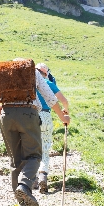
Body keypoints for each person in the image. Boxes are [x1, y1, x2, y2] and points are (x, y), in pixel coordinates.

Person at [0, 58, 70, 206]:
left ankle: (22, 204)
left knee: (15, 159)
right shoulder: (32, 72)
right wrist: (62, 116)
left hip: (6, 115)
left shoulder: (5, 74)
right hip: (28, 114)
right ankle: (25, 186)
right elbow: (49, 97)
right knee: (34, 155)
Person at [34, 62, 69, 193]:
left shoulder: (29, 85)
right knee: (45, 146)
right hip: (46, 116)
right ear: (46, 74)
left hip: (31, 116)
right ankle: (43, 174)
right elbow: (64, 101)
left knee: (31, 147)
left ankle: (32, 179)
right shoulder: (48, 83)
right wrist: (65, 112)